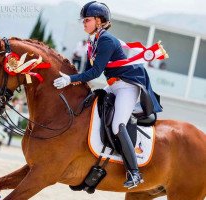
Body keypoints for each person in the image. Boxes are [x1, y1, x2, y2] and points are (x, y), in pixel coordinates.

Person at [53, 1, 162, 189]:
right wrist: (71, 81)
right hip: (113, 85)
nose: (84, 23)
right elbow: (89, 71)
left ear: (99, 20)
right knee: (90, 106)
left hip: (127, 87)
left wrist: (70, 79)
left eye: (87, 20)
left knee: (117, 125)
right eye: (83, 21)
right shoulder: (93, 41)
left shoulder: (106, 40)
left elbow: (95, 73)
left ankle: (134, 172)